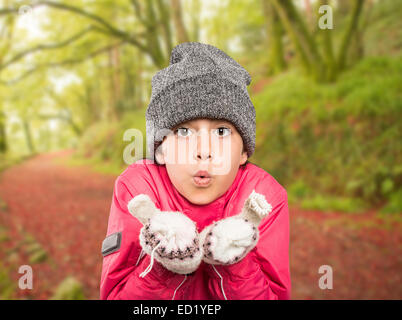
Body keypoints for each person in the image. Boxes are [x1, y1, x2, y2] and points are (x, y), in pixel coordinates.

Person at [99, 42, 291, 300]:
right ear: (160, 149)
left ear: (244, 150)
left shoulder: (264, 197)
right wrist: (164, 267)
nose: (203, 151)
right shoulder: (137, 189)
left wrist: (234, 263)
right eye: (183, 131)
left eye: (222, 131)